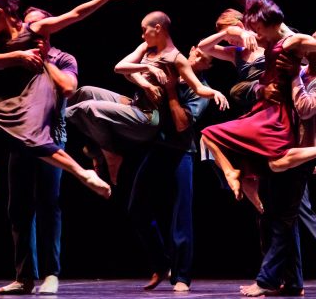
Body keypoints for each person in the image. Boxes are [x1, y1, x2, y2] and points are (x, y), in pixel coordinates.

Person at [0, 0, 136, 201]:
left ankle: (83, 173)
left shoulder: (35, 30)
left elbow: (75, 14)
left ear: (2, 12)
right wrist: (20, 55)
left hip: (40, 89)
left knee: (36, 146)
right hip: (19, 99)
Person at [200, 0, 316, 215]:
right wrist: (234, 32)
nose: (256, 33)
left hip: (279, 107)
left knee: (282, 173)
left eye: (258, 28)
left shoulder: (290, 41)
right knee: (211, 138)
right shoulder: (252, 46)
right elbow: (205, 46)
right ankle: (237, 178)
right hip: (260, 106)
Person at [239, 24, 316, 297]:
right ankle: (292, 282)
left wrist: (293, 79)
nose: (309, 45)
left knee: (285, 219)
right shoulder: (300, 70)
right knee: (273, 218)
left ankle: (268, 279)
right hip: (280, 149)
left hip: (301, 154)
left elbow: (306, 108)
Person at [66, 11, 229, 186]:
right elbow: (121, 68)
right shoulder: (147, 47)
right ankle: (98, 149)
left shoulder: (177, 60)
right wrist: (146, 79)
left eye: (145, 30)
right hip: (136, 103)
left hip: (150, 116)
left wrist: (214, 93)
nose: (142, 35)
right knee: (85, 92)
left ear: (157, 28)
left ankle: (58, 117)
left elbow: (198, 88)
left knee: (89, 108)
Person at [0, 8, 79, 295]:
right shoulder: (19, 59)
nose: (30, 28)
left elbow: (68, 88)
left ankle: (51, 274)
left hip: (51, 140)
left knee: (48, 205)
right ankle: (24, 277)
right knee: (18, 209)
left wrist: (45, 63)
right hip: (21, 140)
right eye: (27, 23)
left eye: (36, 23)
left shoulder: (63, 58)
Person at [128, 45, 213, 292]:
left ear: (208, 65)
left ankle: (182, 276)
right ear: (191, 50)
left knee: (181, 215)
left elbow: (181, 125)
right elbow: (130, 74)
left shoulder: (200, 89)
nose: (197, 58)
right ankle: (161, 263)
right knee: (136, 208)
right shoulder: (169, 66)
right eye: (196, 53)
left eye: (203, 59)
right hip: (157, 147)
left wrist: (171, 90)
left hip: (181, 151)